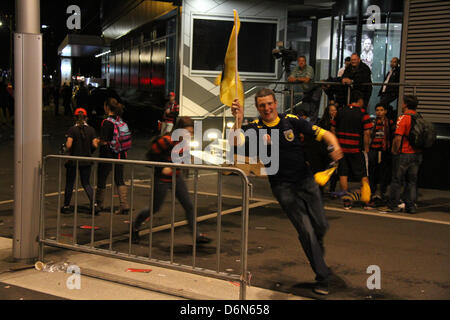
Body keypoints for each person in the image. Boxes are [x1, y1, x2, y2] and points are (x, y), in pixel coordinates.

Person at [230, 88, 343, 295]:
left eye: (269, 103)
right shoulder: (255, 128)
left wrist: (334, 145)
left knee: (321, 226)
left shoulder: (290, 120)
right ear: (257, 107)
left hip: (307, 181)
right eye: (262, 105)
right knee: (307, 231)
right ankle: (322, 276)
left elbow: (323, 133)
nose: (267, 108)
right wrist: (237, 120)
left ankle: (315, 249)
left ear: (276, 103)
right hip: (283, 187)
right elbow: (235, 144)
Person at [132, 117, 211, 245]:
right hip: (162, 180)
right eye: (187, 132)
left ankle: (197, 236)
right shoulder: (167, 140)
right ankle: (135, 227)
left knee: (189, 206)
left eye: (191, 132)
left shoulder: (184, 143)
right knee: (154, 208)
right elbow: (151, 156)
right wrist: (163, 167)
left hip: (176, 177)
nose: (190, 135)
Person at [380, 95, 422, 214]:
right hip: (417, 154)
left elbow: (398, 137)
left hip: (404, 153)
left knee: (397, 180)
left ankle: (393, 205)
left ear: (405, 104)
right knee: (412, 181)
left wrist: (394, 151)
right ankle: (410, 206)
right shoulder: (419, 117)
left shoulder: (403, 118)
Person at [331, 90, 373, 209]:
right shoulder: (363, 113)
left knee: (343, 173)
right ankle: (366, 200)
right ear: (360, 101)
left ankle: (346, 201)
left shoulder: (340, 111)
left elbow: (332, 128)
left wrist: (336, 144)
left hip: (342, 149)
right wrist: (366, 147)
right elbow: (367, 133)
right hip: (356, 149)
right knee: (363, 174)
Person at [95, 97, 131, 215]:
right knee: (119, 178)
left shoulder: (107, 122)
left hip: (107, 154)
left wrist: (96, 141)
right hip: (121, 154)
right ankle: (124, 205)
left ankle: (98, 204)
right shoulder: (120, 121)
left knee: (102, 178)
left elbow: (104, 141)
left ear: (106, 107)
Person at [61, 108, 99, 213]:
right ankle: (94, 204)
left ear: (75, 117)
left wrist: (64, 148)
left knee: (70, 183)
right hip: (86, 160)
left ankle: (66, 206)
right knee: (86, 183)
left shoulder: (72, 130)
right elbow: (95, 144)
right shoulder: (91, 130)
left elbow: (69, 145)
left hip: (73, 160)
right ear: (86, 117)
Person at [368, 104, 395, 205]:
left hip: (384, 150)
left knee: (383, 171)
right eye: (377, 110)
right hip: (373, 149)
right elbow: (369, 134)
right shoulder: (373, 122)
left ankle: (382, 191)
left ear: (385, 111)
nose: (379, 112)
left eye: (381, 110)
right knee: (372, 170)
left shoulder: (389, 122)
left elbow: (393, 135)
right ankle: (372, 191)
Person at [288, 56, 322, 123]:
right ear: (298, 62)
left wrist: (297, 79)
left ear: (305, 62)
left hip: (315, 89)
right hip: (306, 90)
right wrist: (300, 79)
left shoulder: (309, 68)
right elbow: (290, 78)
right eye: (300, 61)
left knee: (313, 107)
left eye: (303, 61)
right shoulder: (296, 68)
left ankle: (313, 125)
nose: (301, 62)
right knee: (305, 107)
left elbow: (307, 79)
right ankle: (305, 123)